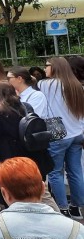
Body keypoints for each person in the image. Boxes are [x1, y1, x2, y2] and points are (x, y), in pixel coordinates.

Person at [0, 83, 55, 212]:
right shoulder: (26, 107)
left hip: (12, 163)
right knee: (42, 197)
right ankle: (59, 224)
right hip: (34, 160)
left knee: (16, 201)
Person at [38, 56, 84, 218]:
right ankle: (77, 207)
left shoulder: (45, 85)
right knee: (76, 171)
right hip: (77, 133)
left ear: (56, 67)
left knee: (55, 173)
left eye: (47, 65)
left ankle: (63, 208)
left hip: (58, 134)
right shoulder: (76, 85)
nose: (44, 69)